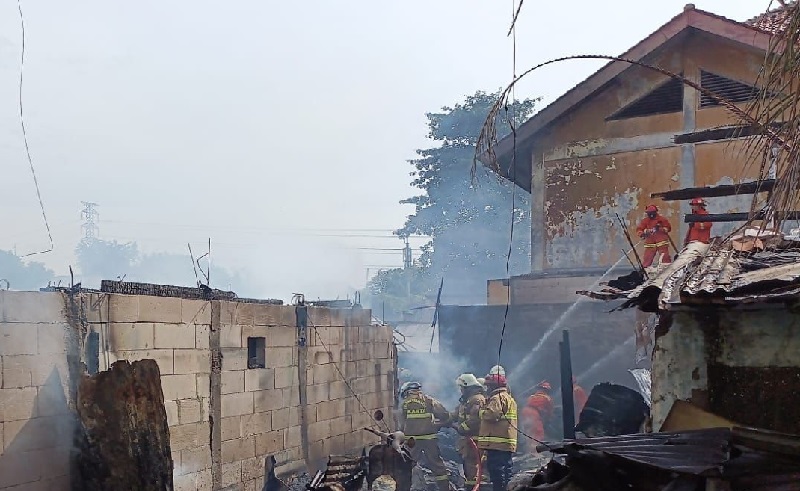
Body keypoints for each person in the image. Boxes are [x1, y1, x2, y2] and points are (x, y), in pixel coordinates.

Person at [398, 381, 452, 491]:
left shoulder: (404, 404)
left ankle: (403, 488)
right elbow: (444, 415)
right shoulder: (429, 400)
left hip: (411, 441)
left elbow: (401, 425)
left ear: (407, 391)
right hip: (429, 439)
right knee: (437, 465)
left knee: (407, 465)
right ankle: (445, 488)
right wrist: (439, 423)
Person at [477, 367, 517, 491]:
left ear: (494, 386)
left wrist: (480, 411)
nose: (487, 388)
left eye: (489, 385)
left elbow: (491, 415)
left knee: (497, 473)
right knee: (506, 472)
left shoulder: (497, 398)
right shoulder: (508, 397)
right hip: (505, 442)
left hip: (497, 444)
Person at [453, 374, 486, 491]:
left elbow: (475, 420)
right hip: (468, 439)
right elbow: (455, 414)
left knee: (472, 465)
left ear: (468, 387)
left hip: (475, 438)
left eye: (462, 387)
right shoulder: (466, 400)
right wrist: (444, 420)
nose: (460, 390)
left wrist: (461, 428)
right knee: (468, 464)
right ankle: (470, 485)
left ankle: (473, 487)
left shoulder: (477, 399)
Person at [520, 381, 554, 452]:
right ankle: (535, 452)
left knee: (528, 433)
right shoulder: (547, 398)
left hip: (525, 412)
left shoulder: (532, 396)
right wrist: (548, 420)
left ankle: (528, 451)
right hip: (534, 414)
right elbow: (549, 412)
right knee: (538, 432)